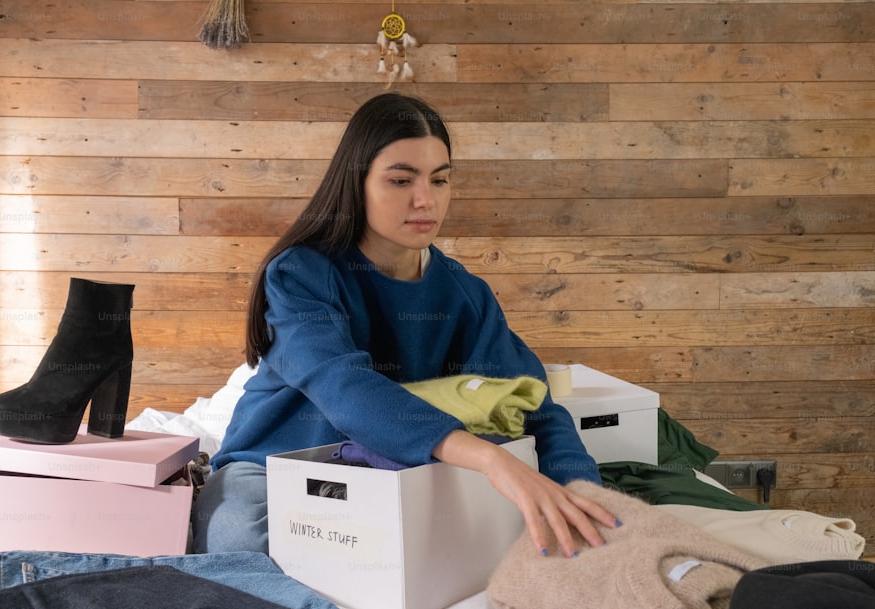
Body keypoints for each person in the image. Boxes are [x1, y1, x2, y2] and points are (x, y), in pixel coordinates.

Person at [192, 93, 618, 560]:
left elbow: (535, 405)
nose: (425, 200)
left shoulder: (465, 293)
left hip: (396, 477)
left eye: (440, 180)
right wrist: (488, 458)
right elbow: (346, 389)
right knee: (236, 544)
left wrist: (585, 498)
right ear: (357, 184)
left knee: (499, 539)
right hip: (275, 472)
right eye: (400, 180)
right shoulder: (300, 274)